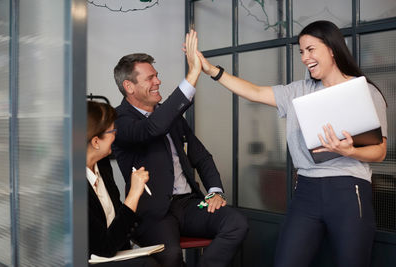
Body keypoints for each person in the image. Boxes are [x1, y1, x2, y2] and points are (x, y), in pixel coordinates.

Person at [194, 21, 387, 267]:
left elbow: (380, 151)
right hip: (306, 191)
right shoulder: (298, 92)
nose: (305, 57)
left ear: (331, 49)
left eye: (310, 49)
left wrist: (349, 150)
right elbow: (253, 91)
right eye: (301, 52)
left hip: (349, 190)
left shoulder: (366, 92)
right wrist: (212, 71)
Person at [111, 30, 248, 267]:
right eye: (150, 78)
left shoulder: (169, 115)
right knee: (171, 257)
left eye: (157, 75)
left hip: (188, 204)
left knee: (236, 223)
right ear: (128, 86)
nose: (158, 81)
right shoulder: (119, 120)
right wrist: (193, 74)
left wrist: (215, 191)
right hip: (154, 213)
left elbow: (201, 156)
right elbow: (152, 129)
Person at [86, 101, 161, 267]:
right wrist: (134, 193)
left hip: (116, 249)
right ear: (96, 142)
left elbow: (116, 215)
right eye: (113, 131)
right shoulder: (73, 186)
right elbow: (103, 248)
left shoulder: (103, 165)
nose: (116, 135)